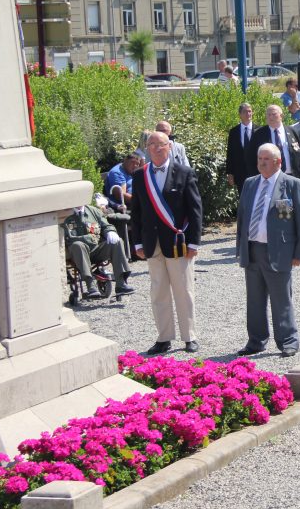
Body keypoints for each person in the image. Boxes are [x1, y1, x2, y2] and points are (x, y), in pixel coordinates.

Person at [130, 131, 203, 355]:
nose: (155, 148)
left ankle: (189, 336)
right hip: (152, 243)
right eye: (151, 145)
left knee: (183, 290)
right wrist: (137, 243)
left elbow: (195, 210)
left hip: (177, 242)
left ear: (169, 146)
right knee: (158, 291)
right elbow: (136, 212)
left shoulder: (184, 172)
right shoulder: (140, 175)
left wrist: (194, 243)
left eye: (159, 145)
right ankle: (164, 337)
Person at [235, 144, 300, 358]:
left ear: (278, 161)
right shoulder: (250, 184)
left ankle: (288, 340)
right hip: (252, 249)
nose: (261, 162)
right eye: (260, 158)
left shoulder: (292, 185)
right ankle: (256, 341)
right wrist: (241, 248)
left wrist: (299, 253)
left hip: (279, 251)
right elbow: (242, 217)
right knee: (254, 299)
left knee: (281, 299)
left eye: (266, 159)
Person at [63, 203, 134, 299]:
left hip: (96, 250)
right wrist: (90, 238)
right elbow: (69, 238)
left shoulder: (93, 211)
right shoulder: (65, 214)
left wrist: (110, 231)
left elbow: (106, 225)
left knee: (117, 241)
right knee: (78, 245)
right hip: (78, 253)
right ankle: (91, 286)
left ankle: (121, 284)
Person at [257, 104, 300, 177]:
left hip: (293, 176)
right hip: (270, 177)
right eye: (268, 115)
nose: (270, 117)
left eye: (274, 114)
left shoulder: (294, 132)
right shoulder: (259, 135)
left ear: (281, 116)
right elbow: (251, 158)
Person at [225, 102, 263, 194]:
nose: (248, 114)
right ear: (240, 114)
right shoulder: (234, 132)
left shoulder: (260, 130)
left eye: (250, 111)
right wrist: (230, 173)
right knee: (244, 200)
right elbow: (230, 153)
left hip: (257, 172)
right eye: (245, 112)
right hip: (240, 173)